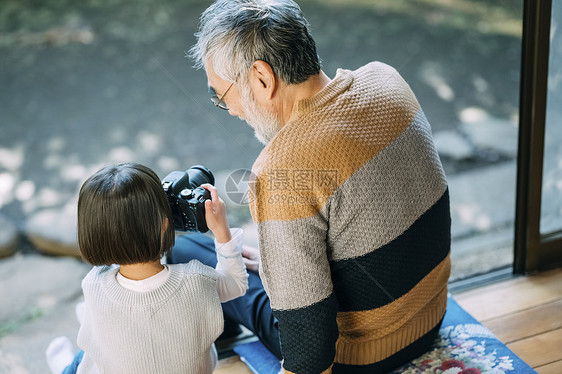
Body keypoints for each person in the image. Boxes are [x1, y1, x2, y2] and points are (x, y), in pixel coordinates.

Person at [189, 1, 451, 373]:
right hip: (429, 318)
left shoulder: (280, 169)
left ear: (262, 78)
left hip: (362, 355)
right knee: (256, 260)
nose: (228, 108)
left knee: (189, 249)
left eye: (222, 95)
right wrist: (280, 265)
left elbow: (310, 350)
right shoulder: (385, 77)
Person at [46, 162, 249, 373]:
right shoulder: (198, 280)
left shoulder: (94, 284)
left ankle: (65, 367)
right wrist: (222, 231)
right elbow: (236, 283)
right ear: (165, 224)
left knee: (86, 355)